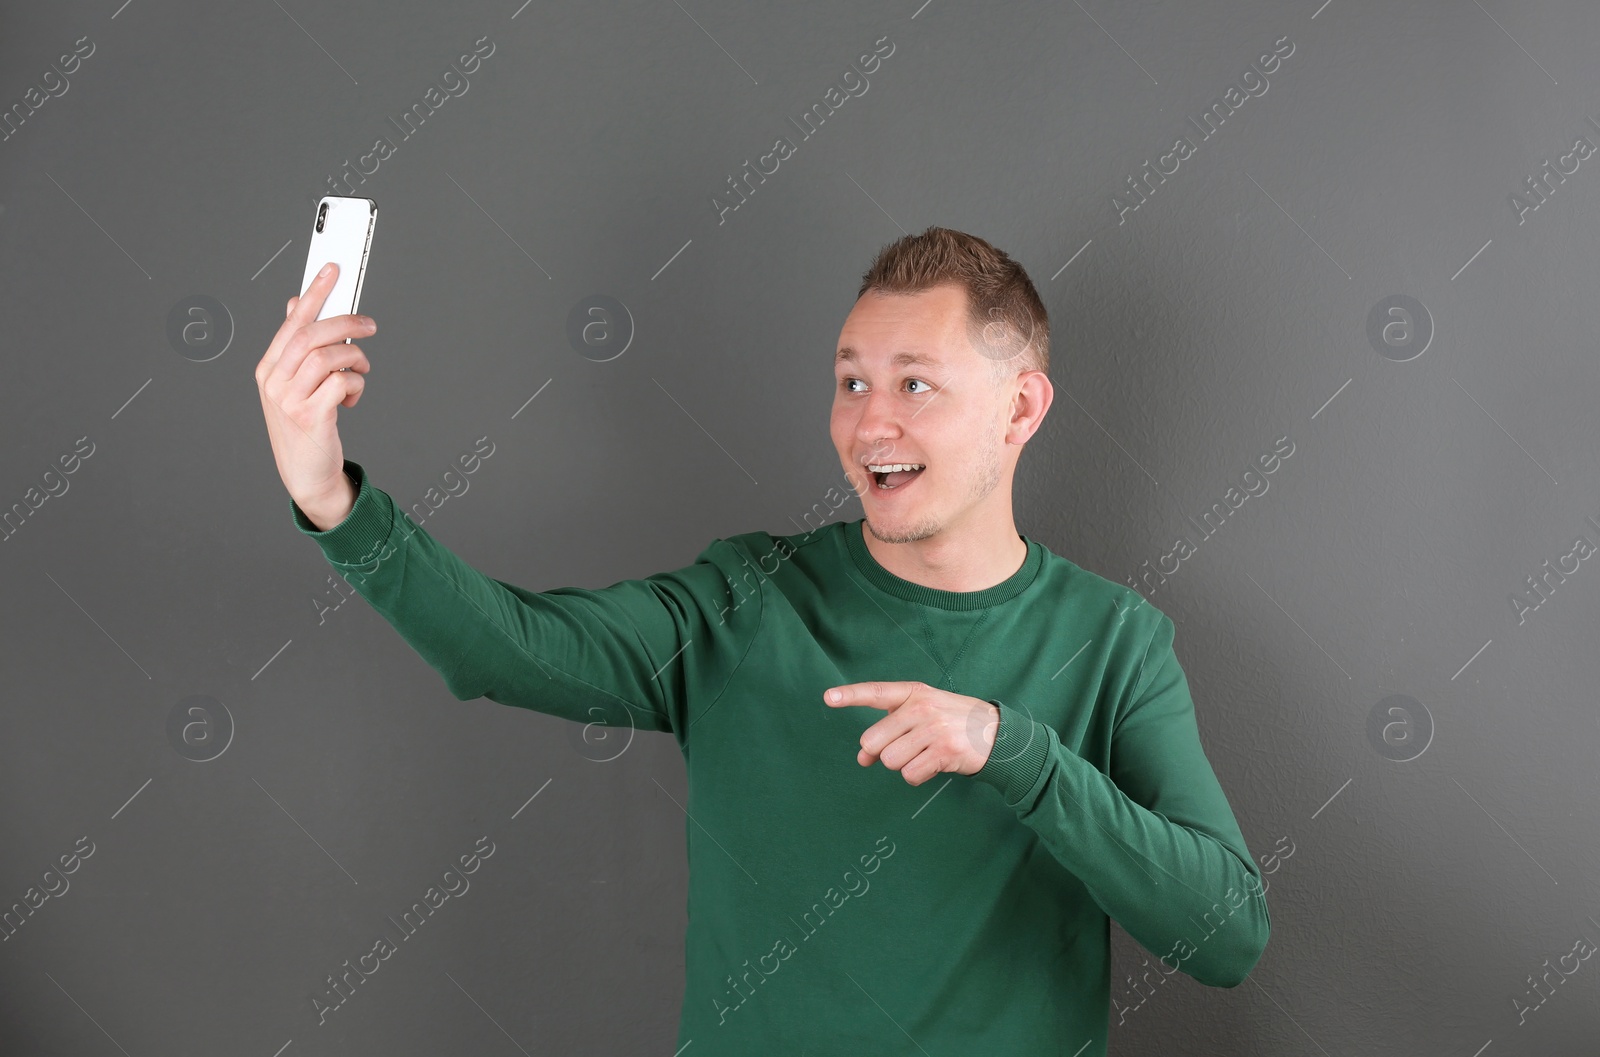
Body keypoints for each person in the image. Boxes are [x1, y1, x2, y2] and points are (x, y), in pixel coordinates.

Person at [255, 226, 1269, 1054]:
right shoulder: (746, 598)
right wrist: (327, 494)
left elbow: (1225, 936)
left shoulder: (1112, 641)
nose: (869, 423)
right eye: (850, 381)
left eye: (914, 383)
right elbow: (502, 646)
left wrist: (1017, 752)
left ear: (1020, 407)